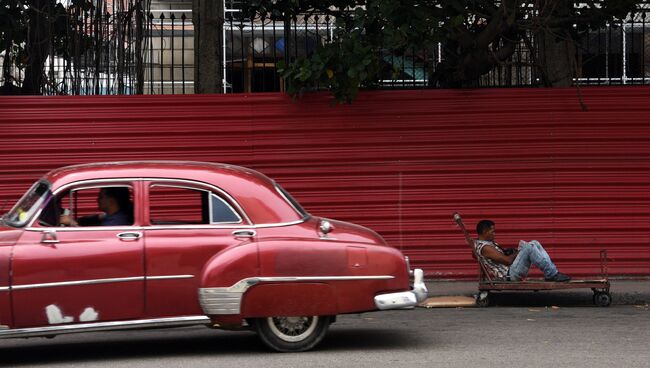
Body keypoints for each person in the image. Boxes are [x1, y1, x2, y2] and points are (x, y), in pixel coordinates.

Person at [475, 219, 571, 282]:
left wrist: (511, 252)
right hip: (509, 275)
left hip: (512, 269)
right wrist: (519, 251)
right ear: (484, 232)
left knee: (535, 242)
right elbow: (507, 261)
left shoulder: (488, 244)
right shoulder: (485, 247)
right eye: (492, 232)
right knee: (529, 247)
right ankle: (552, 274)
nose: (494, 234)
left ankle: (552, 272)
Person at [60, 187, 133, 226]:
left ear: (111, 201)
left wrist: (72, 223)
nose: (97, 200)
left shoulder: (115, 223)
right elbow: (98, 217)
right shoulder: (112, 216)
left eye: (101, 197)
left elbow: (92, 241)